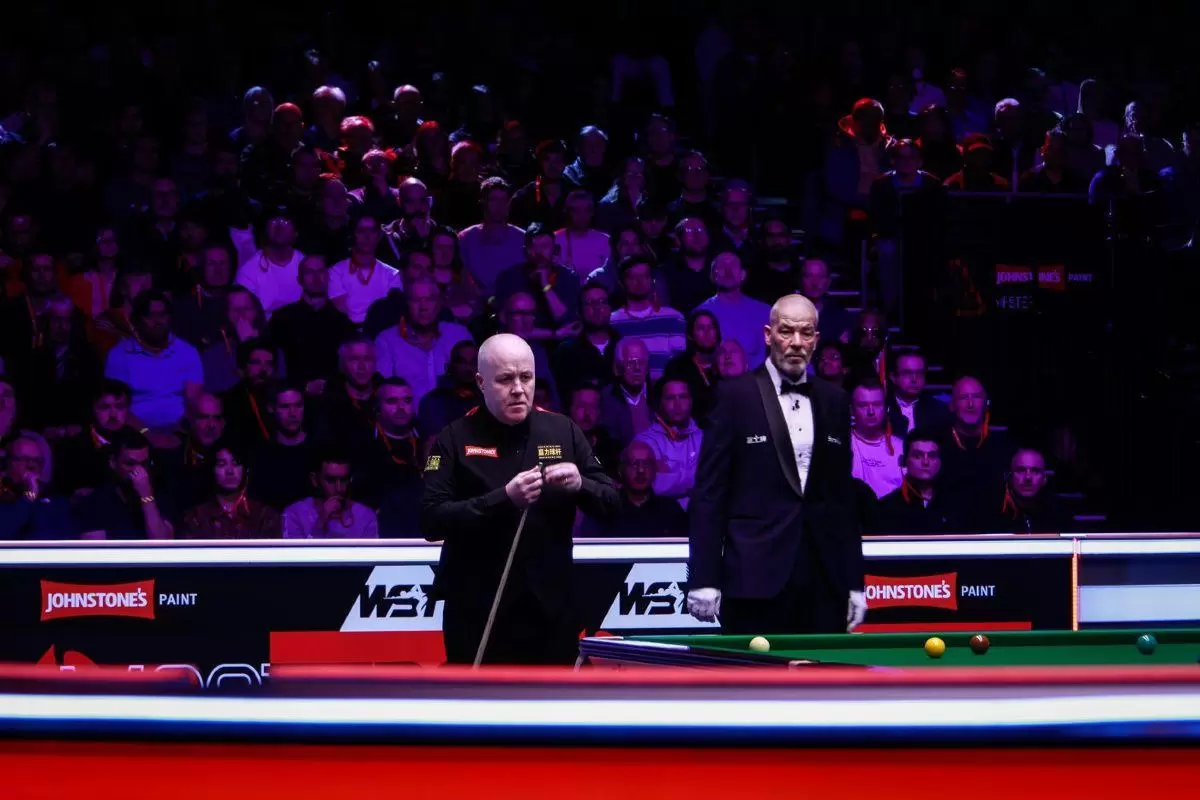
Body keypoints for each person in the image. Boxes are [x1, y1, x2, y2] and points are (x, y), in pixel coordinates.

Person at [421, 333, 619, 665]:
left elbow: (612, 504)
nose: (518, 389)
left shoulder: (563, 431)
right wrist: (503, 498)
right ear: (481, 382)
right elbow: (431, 520)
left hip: (551, 612)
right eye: (505, 379)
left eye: (526, 377)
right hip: (478, 610)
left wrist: (581, 484)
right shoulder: (454, 438)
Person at [688, 294, 866, 634]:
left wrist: (854, 581)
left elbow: (842, 500)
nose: (796, 342)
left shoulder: (835, 400)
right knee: (753, 671)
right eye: (787, 331)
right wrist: (704, 577)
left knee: (820, 670)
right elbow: (709, 494)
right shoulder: (734, 396)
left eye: (806, 332)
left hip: (824, 580)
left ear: (816, 339)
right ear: (768, 335)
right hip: (754, 575)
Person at [104, 290, 203, 431]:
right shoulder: (119, 355)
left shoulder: (187, 352)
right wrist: (146, 434)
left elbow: (194, 402)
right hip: (134, 433)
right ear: (137, 320)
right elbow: (117, 408)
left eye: (162, 315)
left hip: (180, 432)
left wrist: (179, 433)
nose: (158, 321)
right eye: (150, 316)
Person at [375, 277, 473, 406]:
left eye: (430, 299)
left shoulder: (459, 335)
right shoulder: (387, 341)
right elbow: (384, 394)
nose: (423, 307)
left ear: (439, 303)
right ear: (406, 304)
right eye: (416, 300)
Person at [268, 254, 356, 390]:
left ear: (327, 276)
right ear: (300, 279)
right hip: (292, 393)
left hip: (334, 394)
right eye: (309, 272)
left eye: (320, 271)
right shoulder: (281, 319)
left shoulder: (343, 323)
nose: (316, 278)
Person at [72, 429, 175, 539]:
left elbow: (162, 543)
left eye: (144, 464)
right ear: (113, 462)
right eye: (130, 464)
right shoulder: (95, 502)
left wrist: (146, 496)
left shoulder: (159, 498)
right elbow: (96, 547)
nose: (139, 471)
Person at [939, 376, 1015, 524]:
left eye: (976, 397)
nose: (970, 404)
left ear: (986, 404)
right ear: (952, 405)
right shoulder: (936, 447)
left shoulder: (1004, 447)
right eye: (963, 398)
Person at [581, 440, 687, 537]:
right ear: (620, 470)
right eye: (634, 464)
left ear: (655, 471)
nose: (641, 470)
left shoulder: (670, 510)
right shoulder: (603, 509)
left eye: (646, 464)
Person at [493, 223, 581, 340]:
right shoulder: (509, 278)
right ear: (524, 251)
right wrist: (554, 334)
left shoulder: (568, 278)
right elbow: (511, 329)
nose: (539, 252)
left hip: (560, 344)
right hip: (519, 343)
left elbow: (568, 323)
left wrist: (545, 286)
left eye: (545, 246)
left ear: (555, 250)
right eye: (533, 247)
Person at [180, 439, 281, 539]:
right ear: (212, 470)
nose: (230, 471)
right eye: (221, 464)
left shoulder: (264, 516)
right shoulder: (195, 518)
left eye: (236, 463)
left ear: (245, 469)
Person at [608, 255, 686, 380]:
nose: (640, 282)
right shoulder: (612, 321)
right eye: (633, 277)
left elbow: (680, 363)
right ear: (622, 283)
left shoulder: (674, 318)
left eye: (645, 276)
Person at [53, 379, 134, 497]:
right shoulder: (71, 447)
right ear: (92, 409)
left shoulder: (136, 441)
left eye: (119, 407)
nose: (113, 414)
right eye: (105, 407)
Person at [872, 430, 961, 535]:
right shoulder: (887, 508)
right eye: (917, 456)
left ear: (941, 461)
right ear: (904, 461)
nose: (925, 462)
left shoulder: (957, 505)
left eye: (932, 456)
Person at [282, 444, 378, 539]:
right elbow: (298, 549)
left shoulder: (366, 516)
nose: (339, 489)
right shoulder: (295, 514)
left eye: (344, 480)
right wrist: (320, 522)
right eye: (330, 480)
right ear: (314, 480)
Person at [634, 378, 703, 510]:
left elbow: (715, 482)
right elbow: (654, 485)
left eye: (683, 397)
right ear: (659, 403)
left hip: (699, 517)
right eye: (670, 398)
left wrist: (670, 477)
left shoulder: (704, 438)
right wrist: (698, 476)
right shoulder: (644, 441)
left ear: (691, 401)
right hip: (660, 517)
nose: (678, 404)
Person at [249, 382, 316, 512]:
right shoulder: (262, 455)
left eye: (298, 405)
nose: (293, 413)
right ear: (271, 408)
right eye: (285, 407)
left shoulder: (319, 449)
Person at [699, 252, 771, 369]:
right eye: (722, 267)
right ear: (712, 276)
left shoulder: (764, 312)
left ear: (743, 274)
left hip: (757, 378)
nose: (728, 271)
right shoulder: (701, 314)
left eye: (733, 266)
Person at [457, 178, 527, 296]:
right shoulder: (465, 239)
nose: (500, 205)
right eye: (494, 200)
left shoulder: (523, 238)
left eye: (504, 200)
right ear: (483, 202)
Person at [329, 215, 403, 324]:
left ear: (378, 235)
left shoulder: (392, 275)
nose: (367, 236)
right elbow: (341, 312)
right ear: (353, 234)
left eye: (372, 231)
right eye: (361, 231)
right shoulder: (336, 271)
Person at [0, 435, 74, 540]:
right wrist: (29, 497)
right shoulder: (3, 495)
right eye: (25, 459)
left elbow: (68, 536)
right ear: (9, 463)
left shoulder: (53, 496)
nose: (32, 465)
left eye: (37, 460)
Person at [984, 448, 1073, 534]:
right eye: (1021, 470)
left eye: (1035, 471)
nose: (1028, 477)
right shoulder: (990, 514)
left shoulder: (1061, 515)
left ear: (1044, 478)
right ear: (1010, 477)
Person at [234, 209, 305, 317]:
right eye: (274, 221)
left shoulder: (308, 266)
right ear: (266, 231)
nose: (279, 226)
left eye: (286, 222)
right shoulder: (248, 271)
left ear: (296, 233)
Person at [551, 282, 621, 392]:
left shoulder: (622, 345)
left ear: (610, 308)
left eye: (602, 302)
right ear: (579, 311)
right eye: (590, 303)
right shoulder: (567, 351)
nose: (597, 307)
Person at [417, 340, 481, 448]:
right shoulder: (432, 402)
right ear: (449, 367)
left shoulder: (489, 399)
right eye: (461, 362)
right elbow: (433, 445)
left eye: (474, 362)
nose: (468, 367)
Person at [663, 310, 720, 425]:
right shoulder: (677, 368)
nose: (707, 332)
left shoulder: (723, 365)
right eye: (701, 328)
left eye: (711, 327)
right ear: (690, 335)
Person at [849, 379, 903, 499]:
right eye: (863, 405)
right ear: (852, 410)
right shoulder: (842, 444)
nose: (871, 412)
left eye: (877, 404)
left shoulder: (901, 447)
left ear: (885, 408)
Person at [600, 338, 653, 447]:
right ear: (618, 368)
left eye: (641, 362)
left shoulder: (659, 395)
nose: (637, 368)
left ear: (647, 368)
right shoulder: (605, 399)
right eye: (630, 363)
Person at [886, 351, 951, 437]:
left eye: (920, 373)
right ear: (893, 377)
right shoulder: (882, 407)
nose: (914, 379)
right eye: (907, 373)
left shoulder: (938, 410)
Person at [554, 190, 610, 279]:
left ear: (592, 212)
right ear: (567, 212)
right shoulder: (555, 239)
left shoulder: (605, 240)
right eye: (576, 211)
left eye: (586, 210)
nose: (581, 215)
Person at [798, 258, 853, 345]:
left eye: (820, 277)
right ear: (801, 280)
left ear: (828, 281)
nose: (814, 283)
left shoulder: (841, 316)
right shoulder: (787, 313)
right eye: (809, 276)